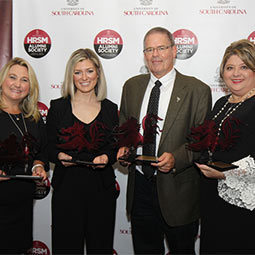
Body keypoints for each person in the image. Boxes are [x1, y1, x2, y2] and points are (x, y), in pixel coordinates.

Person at [117, 27, 212, 254]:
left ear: (174, 50)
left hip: (178, 191)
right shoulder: (131, 87)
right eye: (149, 49)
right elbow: (124, 131)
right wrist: (124, 148)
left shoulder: (197, 90)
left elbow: (201, 143)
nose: (155, 54)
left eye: (161, 48)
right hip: (140, 189)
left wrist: (176, 158)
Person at [46, 48, 119, 254]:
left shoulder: (110, 109)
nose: (84, 77)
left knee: (100, 248)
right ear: (71, 75)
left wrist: (107, 157)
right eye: (78, 72)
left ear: (98, 73)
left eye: (89, 71)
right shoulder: (58, 107)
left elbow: (115, 148)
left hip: (101, 191)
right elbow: (48, 147)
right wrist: (59, 156)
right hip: (67, 190)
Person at [193, 39, 255, 254]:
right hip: (213, 201)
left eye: (244, 67)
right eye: (230, 67)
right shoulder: (222, 103)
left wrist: (225, 175)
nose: (236, 73)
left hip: (244, 207)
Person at [0, 57, 48, 254]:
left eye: (24, 80)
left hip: (22, 206)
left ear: (31, 86)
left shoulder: (32, 118)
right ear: (3, 80)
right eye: (12, 77)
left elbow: (43, 151)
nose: (17, 84)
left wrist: (38, 165)